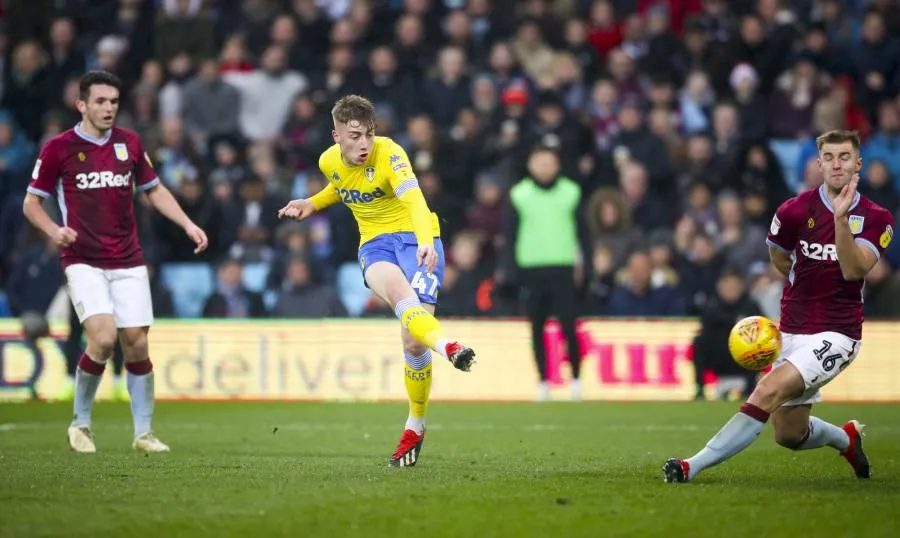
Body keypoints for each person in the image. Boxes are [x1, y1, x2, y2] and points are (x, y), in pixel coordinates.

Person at [663, 130, 894, 482]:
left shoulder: (877, 217)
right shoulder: (794, 210)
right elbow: (779, 258)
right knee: (789, 435)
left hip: (838, 333)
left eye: (844, 157)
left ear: (857, 163)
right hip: (790, 330)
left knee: (766, 390)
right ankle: (845, 438)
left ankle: (690, 466)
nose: (836, 164)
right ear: (818, 164)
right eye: (829, 157)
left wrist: (841, 220)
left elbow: (854, 269)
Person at [278, 95, 476, 468]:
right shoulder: (327, 161)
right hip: (374, 245)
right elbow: (343, 185)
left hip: (417, 240)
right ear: (336, 135)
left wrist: (423, 241)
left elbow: (415, 200)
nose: (364, 144)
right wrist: (313, 202)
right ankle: (449, 345)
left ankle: (415, 423)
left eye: (369, 134)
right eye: (355, 136)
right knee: (404, 303)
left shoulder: (391, 154)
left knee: (413, 339)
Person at [22, 71, 209, 453]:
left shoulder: (130, 144)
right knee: (104, 338)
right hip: (83, 259)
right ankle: (81, 424)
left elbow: (154, 191)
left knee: (137, 344)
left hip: (128, 259)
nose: (108, 108)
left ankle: (143, 433)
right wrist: (55, 231)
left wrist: (188, 224)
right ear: (82, 105)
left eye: (113, 102)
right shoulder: (58, 148)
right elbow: (31, 204)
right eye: (100, 102)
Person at [500, 146, 590, 402]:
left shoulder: (571, 192)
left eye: (549, 162)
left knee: (569, 327)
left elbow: (584, 234)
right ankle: (542, 381)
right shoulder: (520, 195)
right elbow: (510, 236)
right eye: (539, 162)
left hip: (562, 267)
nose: (544, 168)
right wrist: (510, 270)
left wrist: (587, 266)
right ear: (530, 165)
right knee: (536, 329)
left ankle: (575, 380)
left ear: (557, 165)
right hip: (531, 269)